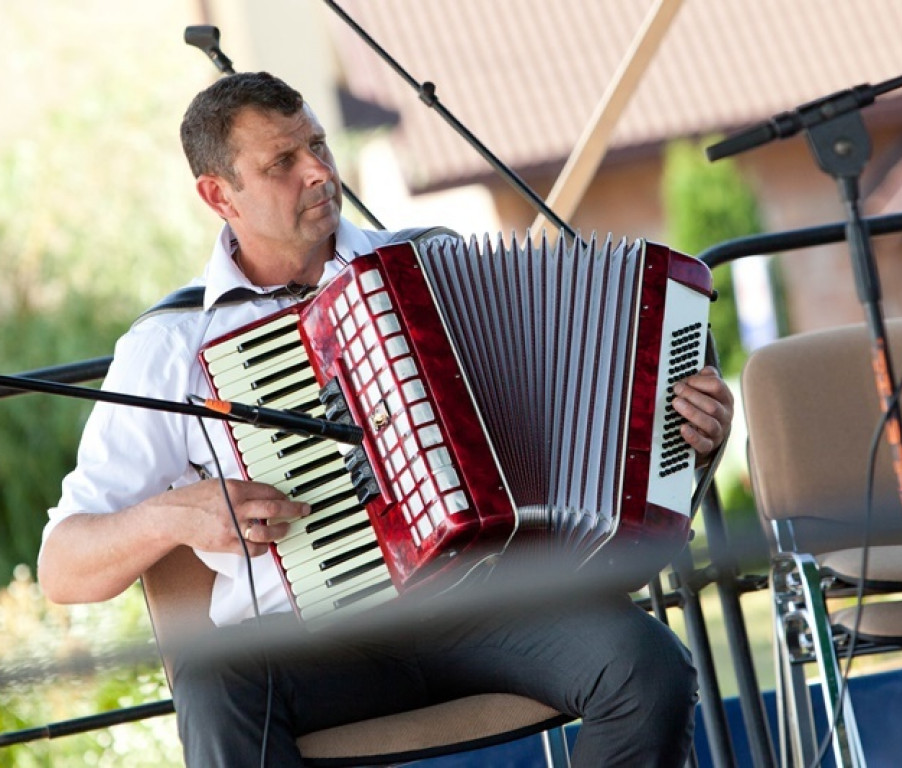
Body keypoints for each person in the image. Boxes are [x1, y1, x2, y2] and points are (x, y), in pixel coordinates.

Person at [38, 71, 734, 767]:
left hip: (482, 609)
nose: (317, 171)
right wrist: (172, 516)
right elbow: (63, 567)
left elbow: (585, 422)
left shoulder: (428, 265)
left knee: (646, 666)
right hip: (312, 650)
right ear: (219, 195)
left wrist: (687, 433)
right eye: (282, 162)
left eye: (318, 145)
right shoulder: (170, 345)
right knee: (216, 679)